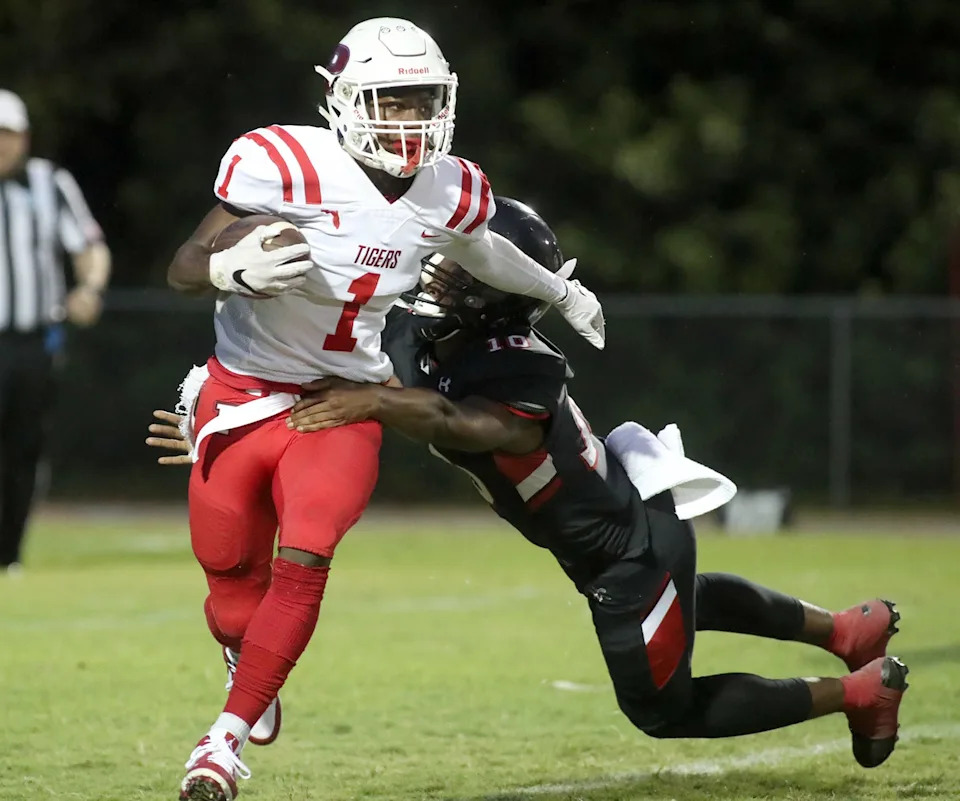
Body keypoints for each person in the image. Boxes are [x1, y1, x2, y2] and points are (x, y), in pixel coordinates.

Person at [151, 198, 908, 776]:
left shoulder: (520, 367)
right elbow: (322, 370)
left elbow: (465, 422)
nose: (438, 273)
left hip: (625, 558)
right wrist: (234, 426)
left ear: (497, 293)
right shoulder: (429, 332)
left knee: (660, 706)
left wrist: (376, 400)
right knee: (688, 598)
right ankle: (843, 630)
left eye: (460, 269)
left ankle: (857, 692)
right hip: (625, 531)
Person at [164, 17, 605, 801]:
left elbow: (484, 251)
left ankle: (222, 745)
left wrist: (560, 289)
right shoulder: (279, 162)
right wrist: (227, 266)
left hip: (343, 397)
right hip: (242, 390)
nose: (406, 122)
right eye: (388, 102)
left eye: (420, 102)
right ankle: (242, 647)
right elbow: (184, 265)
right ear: (342, 100)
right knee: (231, 575)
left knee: (307, 550)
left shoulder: (453, 187)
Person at [0, 89, 111, 575]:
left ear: (23, 137)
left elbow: (89, 246)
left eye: (6, 134)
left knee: (23, 447)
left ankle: (9, 553)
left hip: (31, 341)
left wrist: (88, 287)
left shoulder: (49, 182)